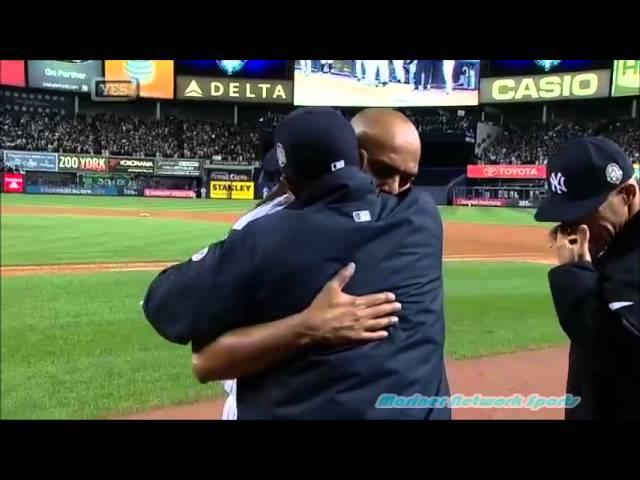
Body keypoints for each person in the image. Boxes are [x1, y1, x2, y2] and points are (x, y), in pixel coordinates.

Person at [143, 107, 449, 420]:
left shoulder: (265, 237)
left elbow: (197, 350)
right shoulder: (423, 215)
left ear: (290, 182)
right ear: (359, 161)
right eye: (387, 173)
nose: (394, 189)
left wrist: (307, 327)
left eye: (408, 179)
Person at [535, 136, 640, 420]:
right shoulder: (613, 248)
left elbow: (626, 360)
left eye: (582, 213)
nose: (574, 228)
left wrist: (576, 286)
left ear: (627, 195)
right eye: (565, 219)